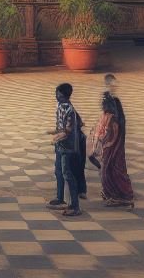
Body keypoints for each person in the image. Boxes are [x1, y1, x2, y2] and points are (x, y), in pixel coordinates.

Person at [48, 82, 83, 217]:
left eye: (59, 95)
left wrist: (56, 138)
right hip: (60, 145)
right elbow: (62, 126)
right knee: (58, 172)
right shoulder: (60, 106)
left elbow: (67, 131)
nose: (57, 97)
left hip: (68, 147)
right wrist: (55, 133)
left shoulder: (69, 110)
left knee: (67, 174)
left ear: (65, 96)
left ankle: (75, 206)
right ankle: (60, 198)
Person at [97, 90, 133, 207]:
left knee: (110, 172)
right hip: (111, 149)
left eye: (104, 103)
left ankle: (119, 197)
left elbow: (111, 135)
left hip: (111, 149)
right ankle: (114, 195)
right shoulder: (112, 117)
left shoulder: (113, 119)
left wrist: (104, 143)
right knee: (111, 171)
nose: (102, 106)